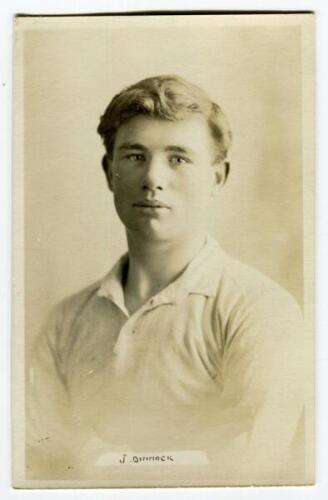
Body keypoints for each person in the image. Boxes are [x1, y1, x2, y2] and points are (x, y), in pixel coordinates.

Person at [27, 75, 305, 484]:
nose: (153, 178)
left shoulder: (261, 311)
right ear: (109, 172)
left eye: (178, 158)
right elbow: (38, 460)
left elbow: (251, 468)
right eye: (135, 156)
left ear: (217, 177)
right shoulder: (64, 321)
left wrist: (98, 461)